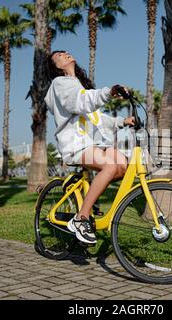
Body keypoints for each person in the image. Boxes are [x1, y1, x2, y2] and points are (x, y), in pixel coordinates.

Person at [44, 50, 135, 245]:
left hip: (94, 142)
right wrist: (108, 92)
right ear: (56, 67)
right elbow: (80, 103)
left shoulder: (78, 85)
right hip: (76, 145)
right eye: (59, 55)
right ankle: (81, 218)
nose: (65, 54)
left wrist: (122, 121)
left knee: (123, 166)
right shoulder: (60, 84)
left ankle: (90, 202)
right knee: (110, 167)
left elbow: (96, 119)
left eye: (65, 52)